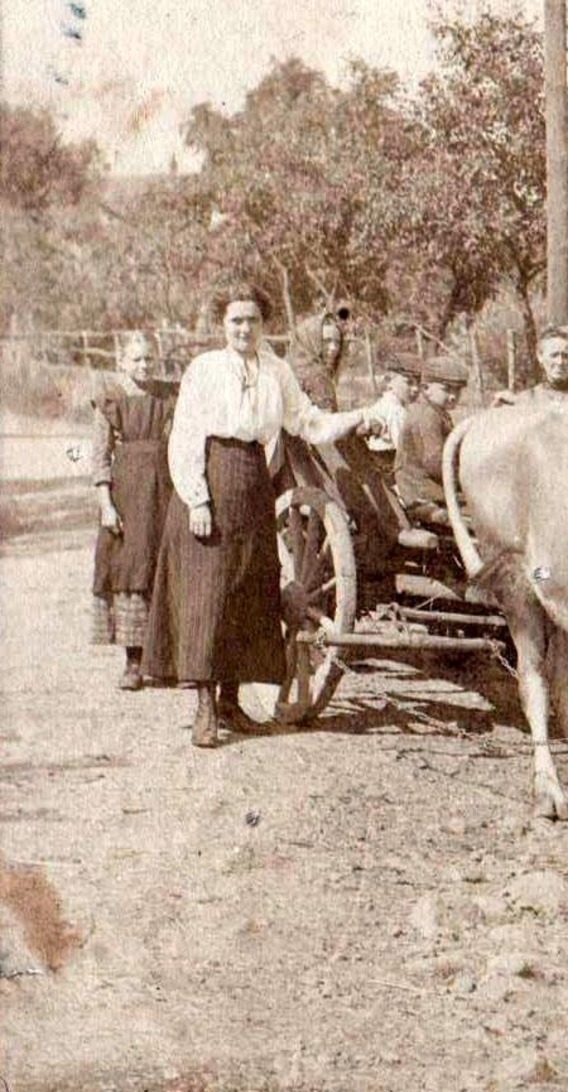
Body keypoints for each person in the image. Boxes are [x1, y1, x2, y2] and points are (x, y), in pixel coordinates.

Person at [145, 281, 379, 748]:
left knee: (249, 589)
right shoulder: (205, 369)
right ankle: (205, 708)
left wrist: (359, 415)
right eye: (235, 320)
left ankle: (232, 703)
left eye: (252, 320)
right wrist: (197, 500)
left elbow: (308, 422)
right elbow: (187, 435)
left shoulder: (276, 371)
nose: (244, 329)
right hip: (211, 476)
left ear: (263, 323)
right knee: (207, 594)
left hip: (253, 479)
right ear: (222, 324)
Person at [90, 332, 176, 691]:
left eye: (149, 360)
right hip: (128, 494)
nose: (143, 366)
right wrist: (106, 505)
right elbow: (99, 456)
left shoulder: (168, 397)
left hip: (165, 491)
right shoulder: (111, 400)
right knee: (130, 570)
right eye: (136, 360)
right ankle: (133, 662)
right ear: (122, 363)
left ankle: (168, 661)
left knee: (164, 568)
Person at [392, 353, 467, 524]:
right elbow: (434, 462)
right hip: (422, 492)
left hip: (430, 486)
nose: (453, 396)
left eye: (458, 390)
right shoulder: (426, 415)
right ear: (425, 388)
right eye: (447, 389)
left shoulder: (436, 411)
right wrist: (464, 478)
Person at [494, 325, 568, 415]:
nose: (560, 362)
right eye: (554, 355)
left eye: (566, 356)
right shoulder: (528, 399)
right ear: (540, 357)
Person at [287, 306, 350, 410]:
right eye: (326, 341)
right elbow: (328, 423)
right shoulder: (318, 377)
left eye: (337, 342)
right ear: (311, 340)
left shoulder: (287, 367)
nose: (334, 348)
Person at [365, 360, 419, 474]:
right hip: (390, 463)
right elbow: (402, 446)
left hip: (382, 459)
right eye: (409, 382)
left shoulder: (386, 403)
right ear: (389, 382)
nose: (415, 389)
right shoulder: (395, 410)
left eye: (418, 382)